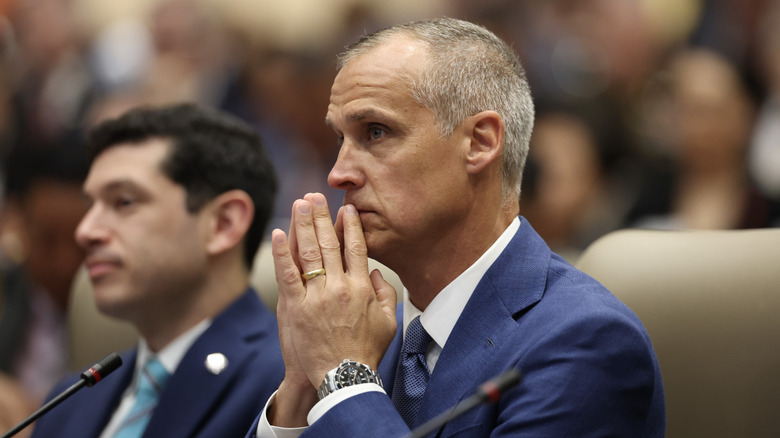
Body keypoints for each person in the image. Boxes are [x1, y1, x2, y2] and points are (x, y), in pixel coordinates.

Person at [247, 17, 665, 438]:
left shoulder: (585, 340)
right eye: (341, 140)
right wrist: (303, 386)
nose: (338, 174)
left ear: (480, 142)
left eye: (376, 132)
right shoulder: (361, 330)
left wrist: (343, 377)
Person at [31, 103, 285, 438]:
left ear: (224, 223)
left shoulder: (286, 388)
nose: (85, 232)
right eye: (90, 206)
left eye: (123, 202)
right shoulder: (67, 402)